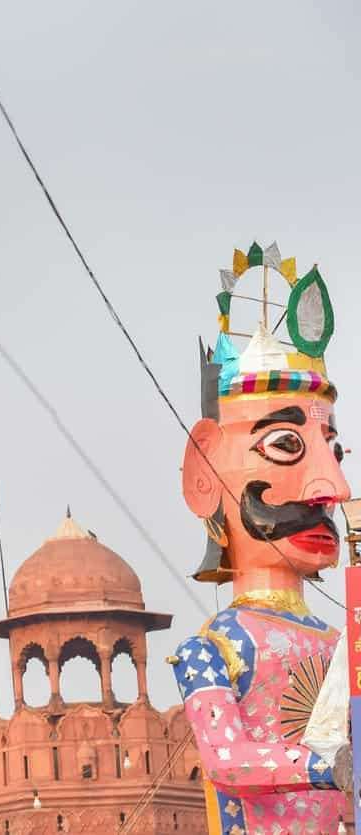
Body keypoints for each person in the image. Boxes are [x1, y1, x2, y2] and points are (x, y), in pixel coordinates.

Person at [174, 251, 350, 833]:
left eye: (336, 451)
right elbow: (229, 759)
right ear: (205, 476)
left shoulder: (343, 643)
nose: (334, 488)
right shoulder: (215, 648)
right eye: (285, 445)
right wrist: (325, 763)